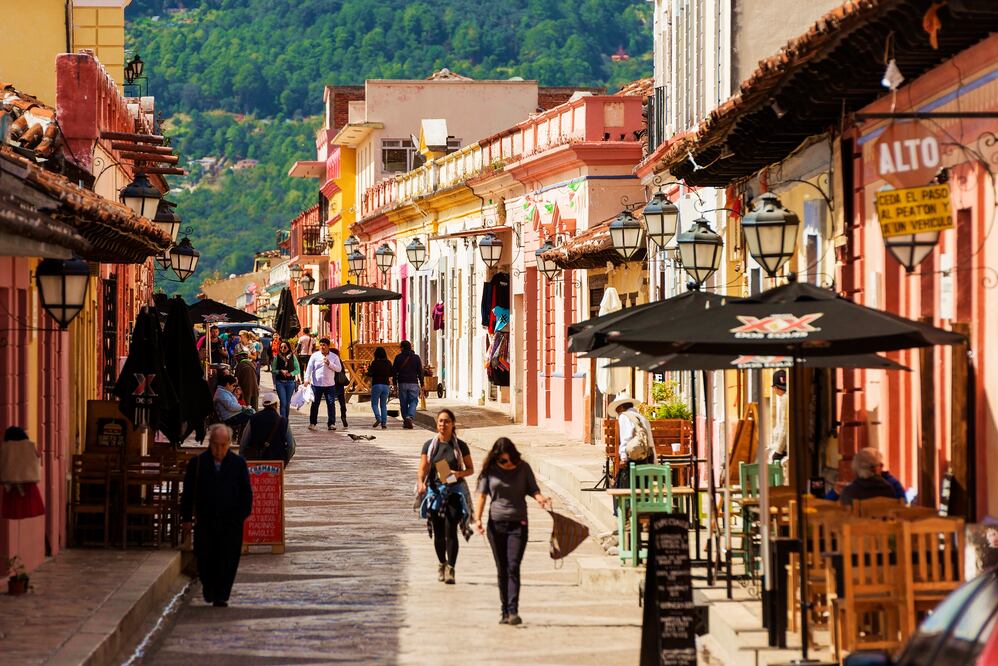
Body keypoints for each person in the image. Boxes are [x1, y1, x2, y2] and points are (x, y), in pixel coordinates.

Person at [473, 438, 550, 625]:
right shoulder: (490, 471)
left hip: (518, 524)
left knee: (513, 566)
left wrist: (540, 498)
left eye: (509, 460)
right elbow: (482, 496)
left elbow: (533, 489)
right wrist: (478, 519)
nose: (507, 464)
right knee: (502, 569)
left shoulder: (523, 468)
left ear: (514, 456)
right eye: (502, 460)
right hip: (496, 525)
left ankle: (513, 610)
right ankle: (504, 611)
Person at [180, 424, 253, 607]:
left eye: (223, 445)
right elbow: (188, 494)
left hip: (230, 523)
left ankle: (222, 594)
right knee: (205, 557)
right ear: (210, 443)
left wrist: (239, 517)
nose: (219, 450)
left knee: (228, 559)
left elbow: (246, 495)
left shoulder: (238, 464)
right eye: (215, 445)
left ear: (228, 444)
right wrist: (186, 519)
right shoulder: (198, 464)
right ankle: (209, 587)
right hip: (206, 522)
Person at [418, 409, 474, 584]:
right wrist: (420, 483)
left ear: (453, 424)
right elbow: (423, 468)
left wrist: (458, 474)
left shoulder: (460, 446)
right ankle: (442, 563)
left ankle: (451, 568)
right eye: (441, 421)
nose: (443, 424)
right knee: (439, 533)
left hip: (454, 492)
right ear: (437, 424)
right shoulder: (429, 445)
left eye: (447, 421)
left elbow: (470, 469)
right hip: (435, 493)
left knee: (451, 531)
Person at [609, 392, 656, 493]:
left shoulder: (624, 416)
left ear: (621, 407)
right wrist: (654, 460)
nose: (617, 413)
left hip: (632, 459)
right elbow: (650, 441)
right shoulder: (642, 417)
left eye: (617, 410)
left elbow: (626, 438)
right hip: (645, 458)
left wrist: (623, 458)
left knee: (625, 490)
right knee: (642, 490)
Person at [239, 392, 295, 463]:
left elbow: (244, 442)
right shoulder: (283, 421)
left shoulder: (254, 418)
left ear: (263, 405)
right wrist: (285, 460)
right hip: (277, 461)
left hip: (256, 461)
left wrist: (243, 458)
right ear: (276, 404)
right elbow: (291, 446)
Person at [304, 337, 342, 431]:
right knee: (315, 404)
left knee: (331, 404)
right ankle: (313, 423)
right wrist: (306, 379)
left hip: (329, 385)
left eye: (324, 345)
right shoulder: (314, 356)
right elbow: (309, 368)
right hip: (316, 384)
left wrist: (329, 363)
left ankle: (331, 423)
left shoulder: (334, 356)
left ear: (328, 346)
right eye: (320, 345)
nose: (322, 347)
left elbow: (339, 369)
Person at [392, 340, 424, 429]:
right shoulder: (416, 358)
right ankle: (409, 417)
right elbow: (420, 372)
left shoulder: (398, 357)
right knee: (414, 401)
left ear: (402, 348)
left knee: (403, 403)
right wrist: (422, 383)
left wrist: (394, 383)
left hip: (402, 383)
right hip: (413, 383)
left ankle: (406, 420)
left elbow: (394, 372)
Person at [271, 341, 300, 419]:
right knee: (283, 402)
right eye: (281, 347)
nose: (283, 349)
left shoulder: (293, 357)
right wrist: (280, 371)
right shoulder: (277, 357)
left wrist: (291, 374)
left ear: (288, 348)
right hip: (280, 383)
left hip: (290, 383)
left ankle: (286, 419)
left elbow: (297, 370)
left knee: (287, 403)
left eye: (285, 347)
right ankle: (282, 420)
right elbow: (273, 370)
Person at [366, 346, 392, 429]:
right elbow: (391, 373)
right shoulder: (388, 362)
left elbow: (369, 373)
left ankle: (378, 418)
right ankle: (384, 423)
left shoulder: (374, 363)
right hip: (386, 385)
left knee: (374, 404)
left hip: (376, 385)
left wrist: (367, 370)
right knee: (383, 405)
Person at [233, 346, 259, 411]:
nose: (236, 358)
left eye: (237, 356)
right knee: (254, 410)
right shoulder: (252, 364)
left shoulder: (240, 365)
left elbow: (236, 380)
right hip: (255, 390)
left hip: (245, 392)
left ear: (241, 356)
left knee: (247, 410)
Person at [329, 347, 349, 429]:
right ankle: (343, 416)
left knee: (331, 403)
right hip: (340, 384)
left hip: (332, 383)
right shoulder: (339, 361)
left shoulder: (330, 361)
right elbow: (342, 371)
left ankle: (332, 421)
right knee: (342, 402)